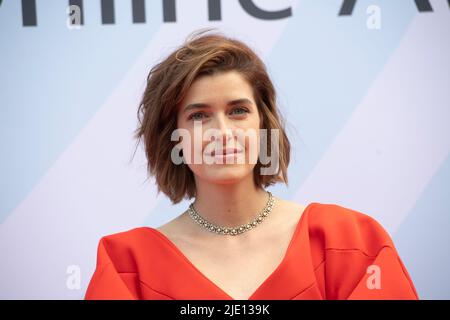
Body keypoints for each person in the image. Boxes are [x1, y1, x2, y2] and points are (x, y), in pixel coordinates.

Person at [84, 28, 419, 300]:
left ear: (264, 124)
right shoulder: (127, 267)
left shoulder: (350, 244)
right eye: (199, 116)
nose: (222, 132)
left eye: (238, 111)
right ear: (173, 137)